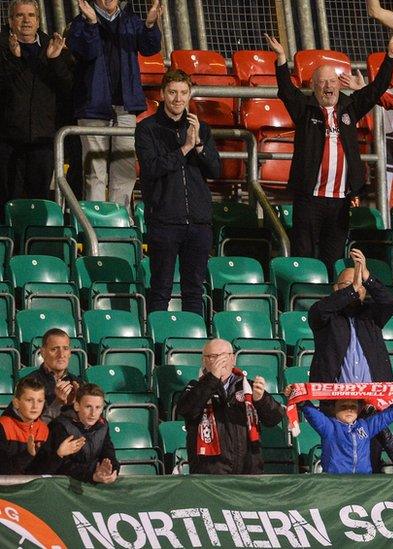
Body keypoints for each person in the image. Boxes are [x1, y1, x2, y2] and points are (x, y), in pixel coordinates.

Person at [265, 33, 393, 277]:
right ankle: (303, 307)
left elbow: (376, 89)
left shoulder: (350, 107)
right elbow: (286, 90)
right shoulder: (304, 108)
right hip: (309, 199)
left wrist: (391, 57)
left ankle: (330, 306)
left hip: (340, 201)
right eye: (322, 82)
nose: (328, 86)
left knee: (333, 258)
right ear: (313, 86)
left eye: (332, 81)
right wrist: (281, 59)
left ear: (340, 85)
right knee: (305, 256)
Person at [135, 69, 221, 318]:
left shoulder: (200, 128)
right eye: (172, 92)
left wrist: (200, 146)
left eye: (183, 93)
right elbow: (151, 169)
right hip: (164, 222)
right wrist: (184, 148)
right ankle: (159, 344)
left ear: (190, 95)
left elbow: (215, 170)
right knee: (161, 289)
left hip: (198, 223)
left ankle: (192, 346)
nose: (178, 98)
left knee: (194, 291)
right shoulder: (147, 129)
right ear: (162, 94)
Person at [67, 0, 163, 208]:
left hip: (125, 107)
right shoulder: (79, 23)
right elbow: (87, 51)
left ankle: (119, 221)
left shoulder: (132, 21)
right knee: (95, 171)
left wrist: (150, 25)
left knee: (125, 169)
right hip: (92, 108)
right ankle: (96, 223)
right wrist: (92, 23)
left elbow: (150, 48)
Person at [0, 0, 72, 208]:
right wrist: (14, 60)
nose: (26, 21)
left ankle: (38, 240)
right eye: (19, 15)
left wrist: (55, 60)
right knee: (7, 201)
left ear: (38, 21)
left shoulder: (53, 47)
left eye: (31, 15)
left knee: (40, 201)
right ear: (10, 21)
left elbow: (67, 88)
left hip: (43, 139)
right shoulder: (3, 48)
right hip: (8, 140)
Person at [176, 339, 285, 474]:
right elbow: (187, 410)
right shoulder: (195, 387)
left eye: (224, 356)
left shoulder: (248, 387)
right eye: (213, 357)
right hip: (210, 474)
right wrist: (213, 378)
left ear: (233, 359)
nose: (219, 361)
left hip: (248, 471)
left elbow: (275, 418)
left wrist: (260, 400)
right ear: (204, 361)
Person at [308, 249, 393, 384]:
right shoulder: (326, 315)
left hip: (372, 398)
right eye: (349, 284)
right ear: (336, 288)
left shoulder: (371, 315)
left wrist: (367, 277)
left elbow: (388, 302)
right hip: (335, 399)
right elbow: (319, 311)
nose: (357, 288)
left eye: (361, 285)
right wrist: (353, 289)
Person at [299, 397, 393, 474]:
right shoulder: (329, 427)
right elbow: (312, 414)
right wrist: (301, 399)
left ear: (359, 409)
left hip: (363, 482)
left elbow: (388, 415)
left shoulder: (365, 426)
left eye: (353, 407)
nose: (349, 410)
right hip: (335, 482)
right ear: (335, 409)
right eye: (343, 407)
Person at [0, 377, 85, 474]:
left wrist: (59, 455)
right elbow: (3, 470)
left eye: (40, 401)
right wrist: (27, 454)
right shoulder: (3, 426)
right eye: (29, 400)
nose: (35, 406)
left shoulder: (43, 429)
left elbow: (41, 473)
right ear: (16, 403)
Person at [49, 383, 120, 484]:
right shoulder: (60, 426)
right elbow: (63, 466)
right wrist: (92, 475)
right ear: (77, 406)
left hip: (90, 480)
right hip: (62, 487)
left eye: (98, 407)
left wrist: (111, 471)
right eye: (88, 407)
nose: (93, 413)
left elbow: (109, 454)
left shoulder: (103, 426)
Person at [22, 328, 80, 424]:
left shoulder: (78, 383)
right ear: (43, 353)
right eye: (54, 349)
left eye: (65, 348)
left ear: (70, 353)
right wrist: (57, 403)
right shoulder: (28, 384)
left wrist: (77, 406)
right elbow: (26, 429)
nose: (61, 355)